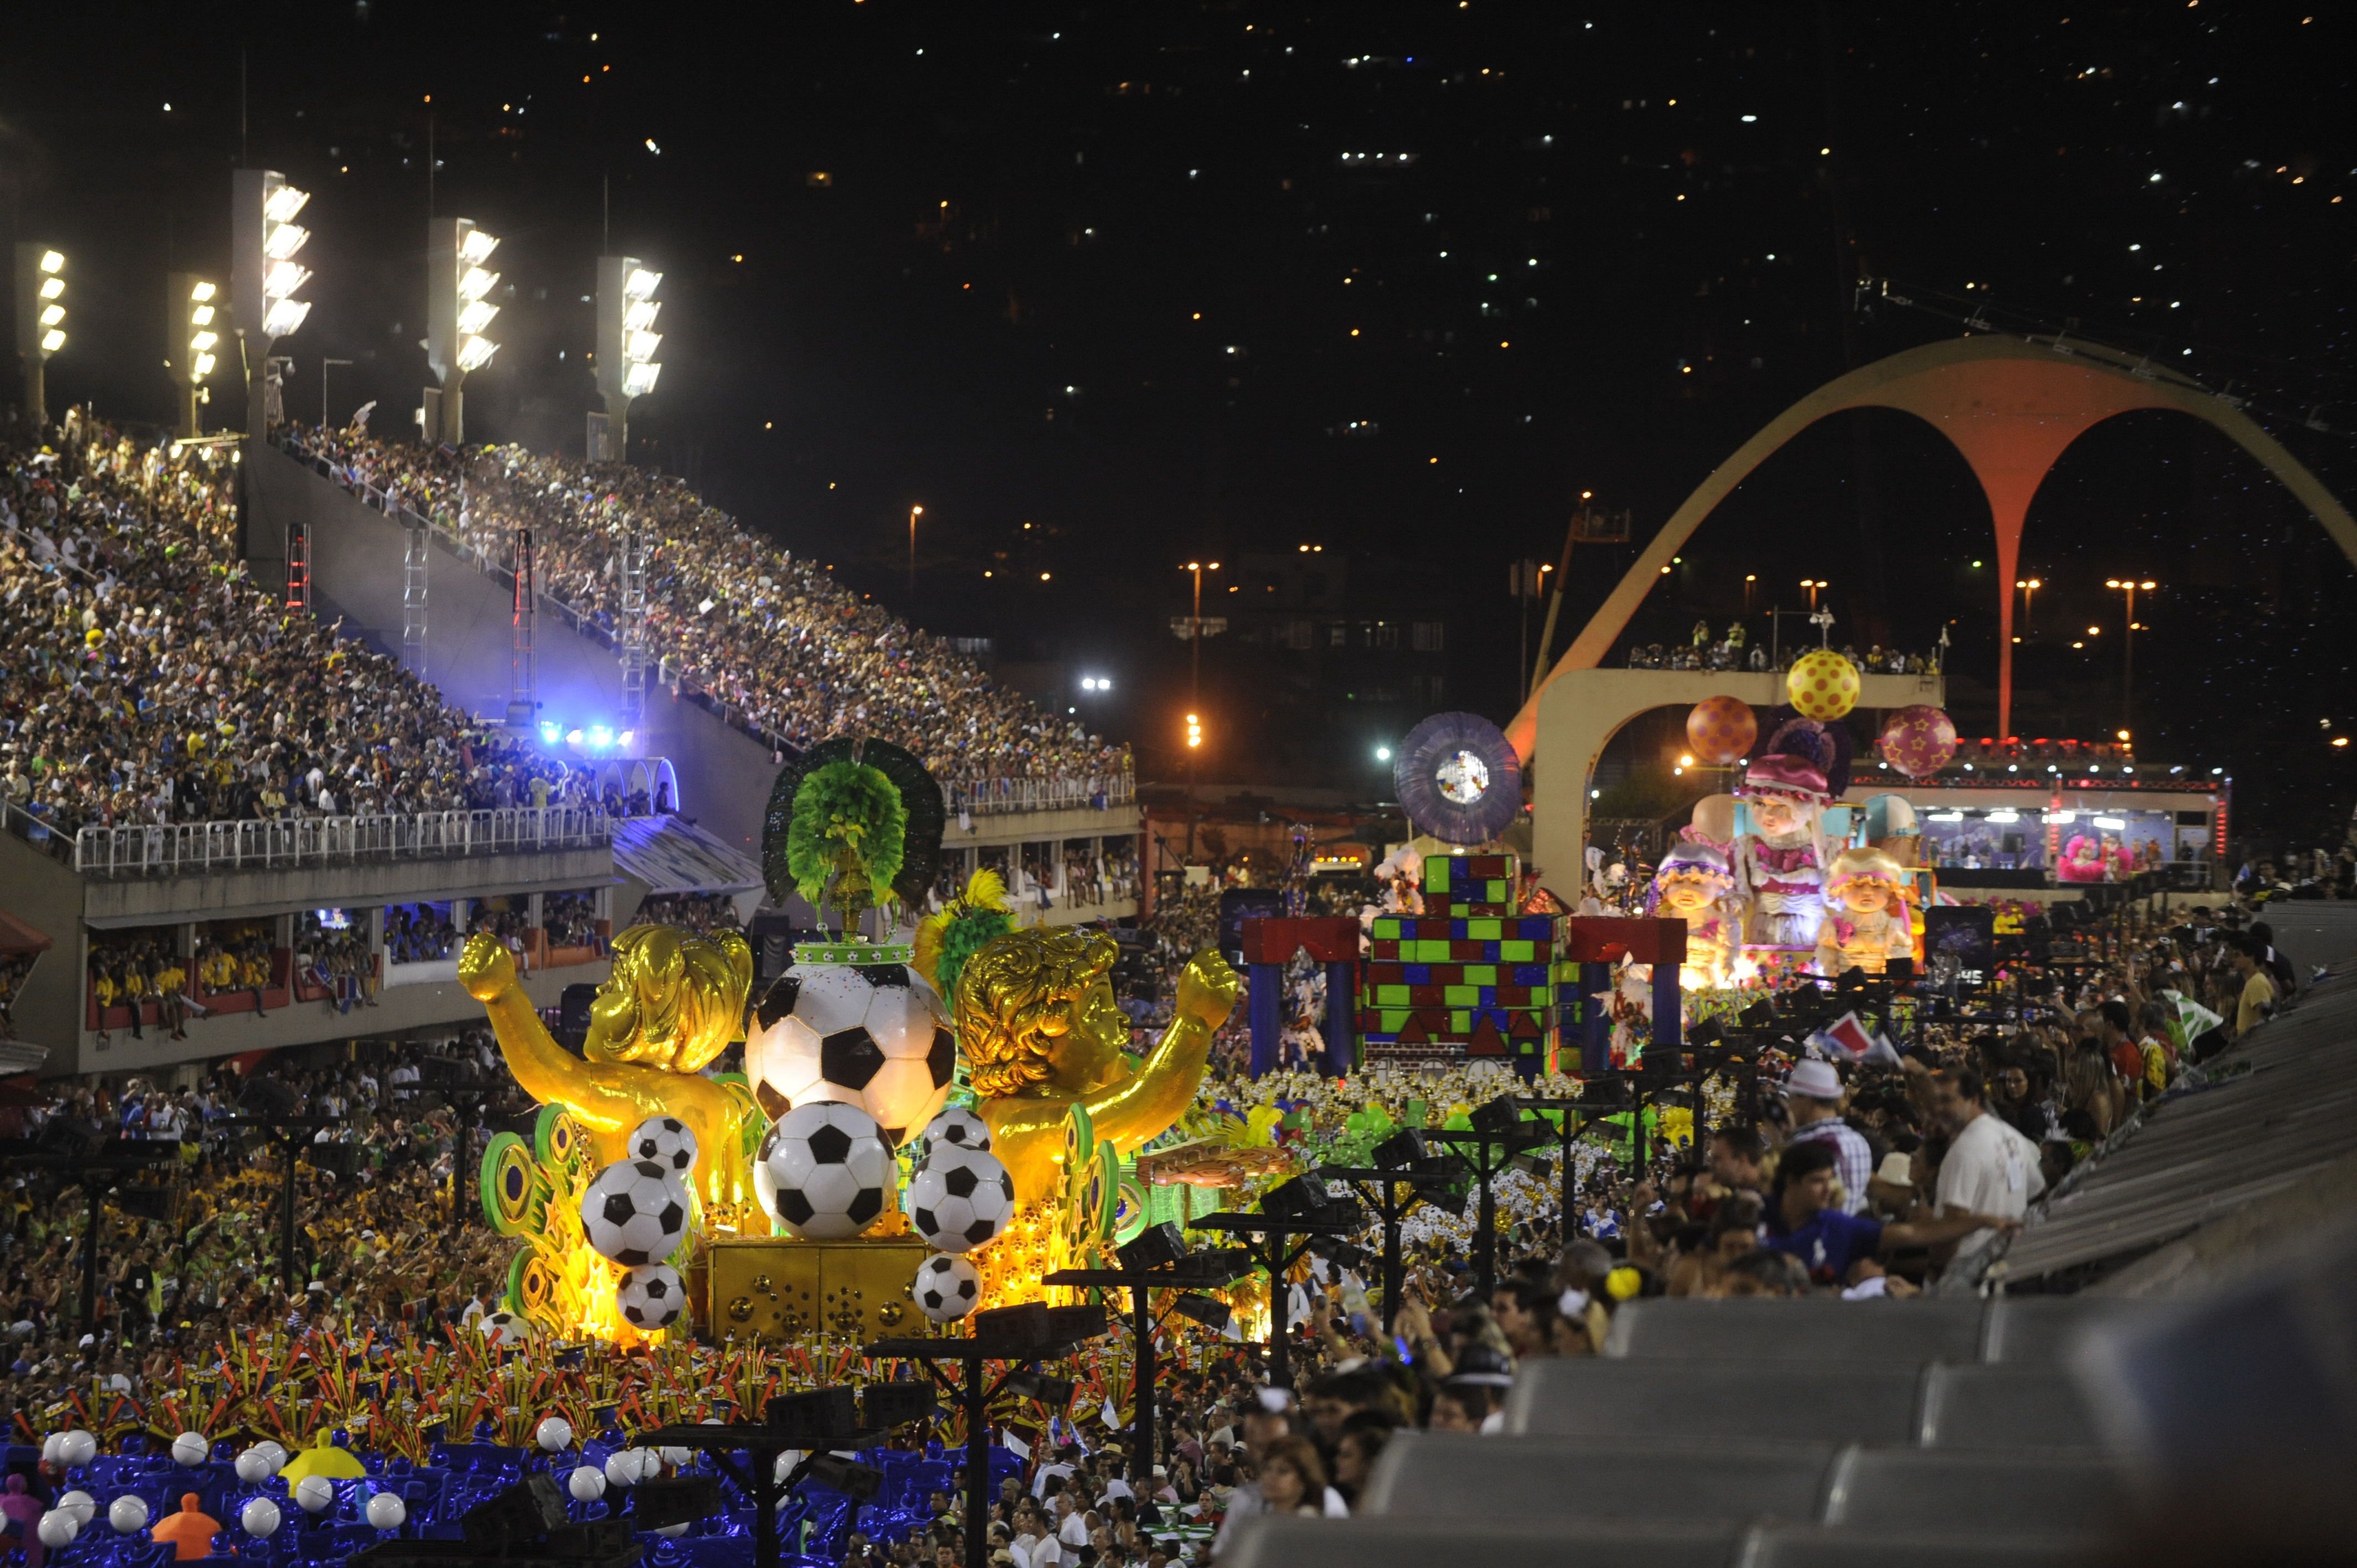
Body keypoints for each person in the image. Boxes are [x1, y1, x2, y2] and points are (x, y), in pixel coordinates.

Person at [1759, 1141, 2013, 1287]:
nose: (1828, 1190)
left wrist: (1981, 1221)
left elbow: (1913, 1234)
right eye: (1817, 1181)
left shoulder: (1838, 1227)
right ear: (1791, 1182)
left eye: (1830, 1180)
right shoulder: (1754, 1216)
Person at [1929, 1067, 2048, 1249]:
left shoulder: (1964, 1150)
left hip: (1967, 1266)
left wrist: (1935, 1269)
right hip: (2006, 1255)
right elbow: (2038, 1193)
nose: (1939, 1109)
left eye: (1947, 1101)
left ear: (1974, 1100)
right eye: (1936, 1101)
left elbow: (1953, 1225)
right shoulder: (2011, 1136)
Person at [1779, 1060, 1874, 1215]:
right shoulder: (1859, 1141)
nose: (1790, 1107)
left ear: (1807, 1100)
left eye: (1793, 1099)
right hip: (1849, 1233)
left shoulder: (1803, 1145)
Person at [2229, 935, 2276, 1040]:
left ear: (2251, 958)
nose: (2233, 959)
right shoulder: (2254, 981)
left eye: (2238, 955)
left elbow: (2264, 1022)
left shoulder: (2256, 983)